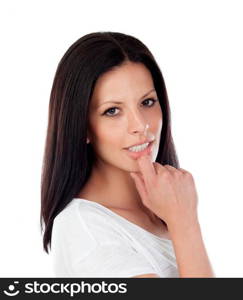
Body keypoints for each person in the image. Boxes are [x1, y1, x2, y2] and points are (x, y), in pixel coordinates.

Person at [40, 31, 214, 278]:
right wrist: (185, 223)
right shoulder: (87, 230)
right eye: (112, 111)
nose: (140, 125)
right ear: (82, 127)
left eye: (147, 102)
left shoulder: (162, 210)